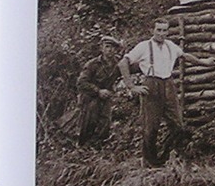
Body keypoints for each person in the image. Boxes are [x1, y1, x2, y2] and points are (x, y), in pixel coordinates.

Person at [120, 19, 188, 167]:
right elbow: (123, 63)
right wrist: (131, 86)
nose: (162, 34)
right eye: (159, 30)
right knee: (151, 127)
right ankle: (150, 163)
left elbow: (185, 56)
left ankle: (166, 157)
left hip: (168, 84)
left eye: (165, 30)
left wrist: (205, 62)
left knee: (178, 126)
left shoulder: (171, 46)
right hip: (151, 84)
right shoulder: (143, 46)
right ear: (153, 30)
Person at [75, 35, 123, 146]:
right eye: (107, 47)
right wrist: (98, 91)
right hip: (90, 97)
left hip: (106, 97)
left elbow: (128, 70)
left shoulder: (118, 64)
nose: (110, 50)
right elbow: (81, 83)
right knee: (88, 122)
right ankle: (82, 147)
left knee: (105, 121)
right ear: (102, 48)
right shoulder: (92, 64)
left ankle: (97, 147)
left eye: (113, 48)